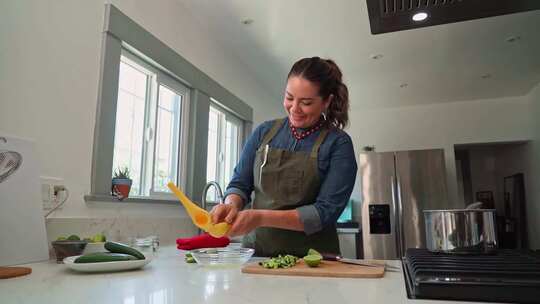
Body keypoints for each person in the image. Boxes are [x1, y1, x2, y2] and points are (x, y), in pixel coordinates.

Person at [210, 57, 358, 257]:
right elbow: (240, 183)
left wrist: (259, 217)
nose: (294, 108)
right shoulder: (264, 132)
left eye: (306, 102)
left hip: (313, 260)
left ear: (327, 102)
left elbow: (324, 213)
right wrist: (230, 206)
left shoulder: (338, 144)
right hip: (257, 255)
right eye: (289, 97)